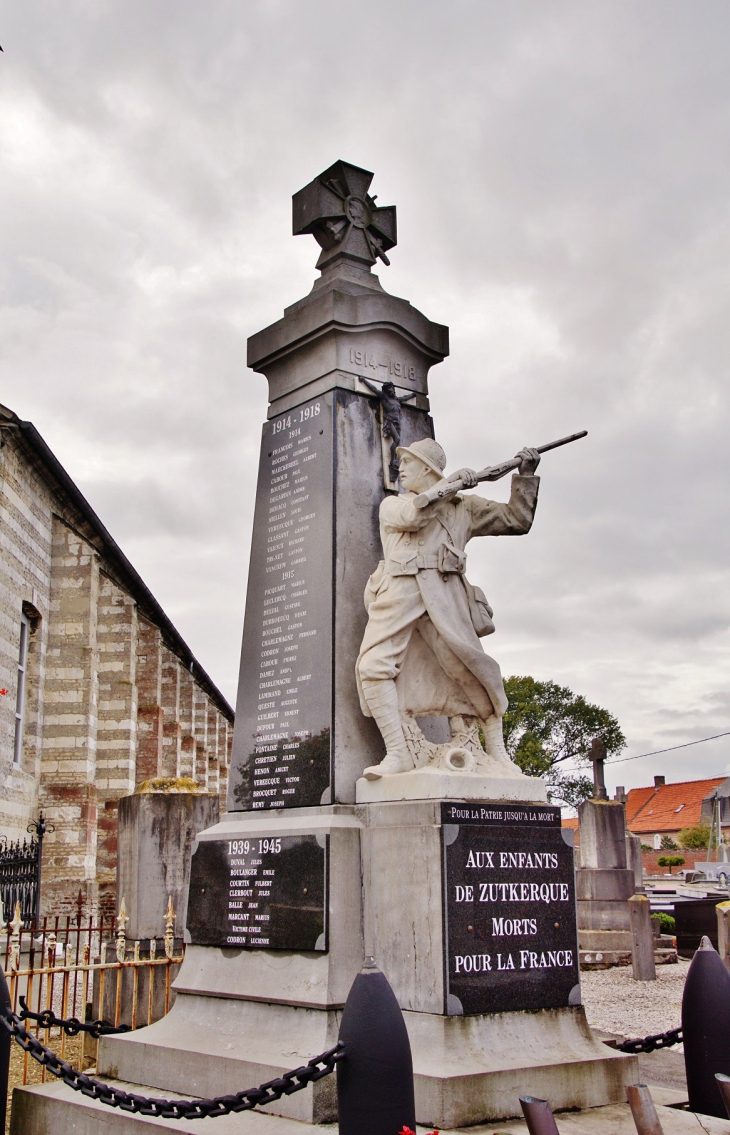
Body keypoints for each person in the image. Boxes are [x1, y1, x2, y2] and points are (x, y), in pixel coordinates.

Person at [355, 437, 540, 779]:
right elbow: (414, 516)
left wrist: (525, 476)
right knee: (372, 666)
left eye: (408, 463)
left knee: (469, 668)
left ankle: (496, 751)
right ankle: (398, 752)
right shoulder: (393, 505)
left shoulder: (464, 507)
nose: (401, 468)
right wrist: (451, 484)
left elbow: (516, 520)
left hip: (445, 590)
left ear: (426, 468)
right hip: (398, 590)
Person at [360, 378, 416, 481]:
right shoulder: (384, 397)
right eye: (389, 388)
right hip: (389, 421)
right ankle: (393, 461)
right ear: (385, 390)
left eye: (392, 388)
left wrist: (412, 395)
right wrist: (364, 381)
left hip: (397, 423)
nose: (391, 389)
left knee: (397, 442)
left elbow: (405, 398)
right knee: (397, 439)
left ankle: (394, 461)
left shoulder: (397, 400)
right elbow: (373, 389)